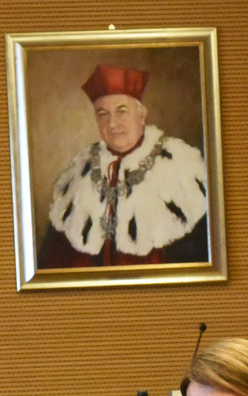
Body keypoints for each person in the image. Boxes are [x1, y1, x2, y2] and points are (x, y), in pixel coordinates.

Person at [38, 63, 209, 268]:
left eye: (121, 112)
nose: (112, 124)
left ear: (141, 115)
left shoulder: (180, 165)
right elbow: (53, 260)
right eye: (103, 114)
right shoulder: (80, 171)